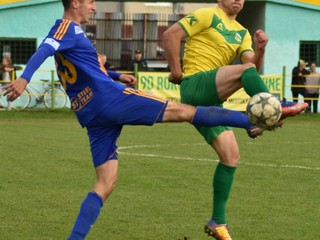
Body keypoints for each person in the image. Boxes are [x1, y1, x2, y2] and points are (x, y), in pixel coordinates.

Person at [2, 0, 279, 239]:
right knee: (185, 111)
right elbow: (44, 48)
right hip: (111, 100)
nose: (94, 7)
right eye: (90, 2)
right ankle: (251, 121)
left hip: (92, 115)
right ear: (75, 2)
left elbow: (87, 69)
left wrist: (117, 75)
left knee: (105, 182)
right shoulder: (65, 28)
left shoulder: (75, 36)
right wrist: (24, 78)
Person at [163, 0, 308, 239]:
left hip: (211, 102)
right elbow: (171, 35)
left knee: (231, 157)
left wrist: (260, 49)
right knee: (243, 71)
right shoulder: (208, 15)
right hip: (195, 85)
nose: (238, 0)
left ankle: (217, 222)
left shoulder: (242, 33)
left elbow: (251, 65)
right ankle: (275, 106)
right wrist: (177, 72)